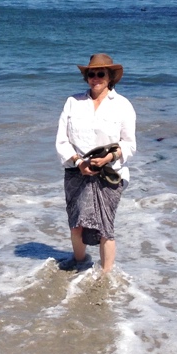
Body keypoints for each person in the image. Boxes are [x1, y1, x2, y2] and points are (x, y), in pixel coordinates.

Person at [55, 53, 136, 273]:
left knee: (105, 227)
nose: (96, 78)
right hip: (76, 171)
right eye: (92, 74)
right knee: (76, 225)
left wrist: (109, 157)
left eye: (101, 74)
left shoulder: (123, 105)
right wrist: (79, 162)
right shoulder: (73, 102)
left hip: (109, 173)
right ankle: (79, 263)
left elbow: (129, 144)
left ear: (110, 77)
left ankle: (105, 276)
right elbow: (62, 140)